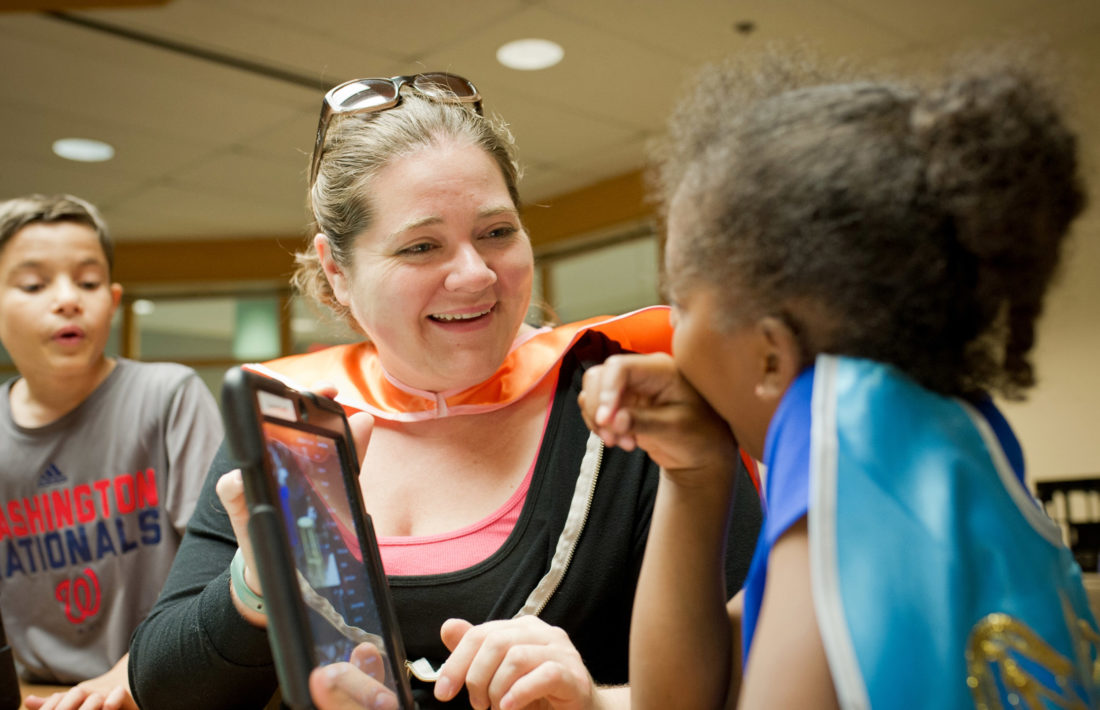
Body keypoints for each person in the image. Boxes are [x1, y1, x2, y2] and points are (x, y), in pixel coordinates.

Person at [127, 72, 764, 710]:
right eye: (422, 246)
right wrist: (257, 584)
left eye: (497, 232)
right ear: (336, 270)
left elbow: (761, 673)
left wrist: (597, 701)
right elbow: (163, 688)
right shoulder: (292, 419)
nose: (475, 274)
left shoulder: (632, 405)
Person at [576, 49, 1100, 710]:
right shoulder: (935, 432)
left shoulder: (845, 446)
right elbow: (683, 697)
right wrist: (695, 474)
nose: (671, 331)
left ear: (770, 358)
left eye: (679, 301)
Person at [0, 194, 223, 710]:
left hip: (160, 685)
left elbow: (221, 566)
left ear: (113, 299)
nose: (67, 300)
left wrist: (134, 675)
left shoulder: (168, 396)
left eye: (88, 282)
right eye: (33, 285)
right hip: (38, 694)